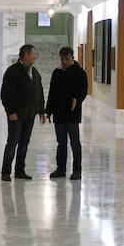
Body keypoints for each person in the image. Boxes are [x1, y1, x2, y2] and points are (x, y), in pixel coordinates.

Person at [0, 44, 46, 181]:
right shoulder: (12, 72)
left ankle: (20, 170)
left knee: (24, 143)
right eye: (33, 54)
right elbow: (5, 95)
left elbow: (39, 91)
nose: (35, 56)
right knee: (12, 143)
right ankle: (6, 172)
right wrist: (11, 111)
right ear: (26, 55)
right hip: (17, 115)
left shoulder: (34, 71)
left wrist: (41, 110)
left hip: (30, 114)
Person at [45, 47, 88, 180]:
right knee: (61, 143)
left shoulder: (79, 72)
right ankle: (60, 169)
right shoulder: (57, 73)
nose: (64, 61)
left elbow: (83, 90)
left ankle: (77, 171)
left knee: (75, 143)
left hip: (72, 114)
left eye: (67, 59)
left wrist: (77, 99)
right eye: (62, 59)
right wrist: (48, 111)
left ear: (72, 58)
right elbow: (52, 92)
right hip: (59, 114)